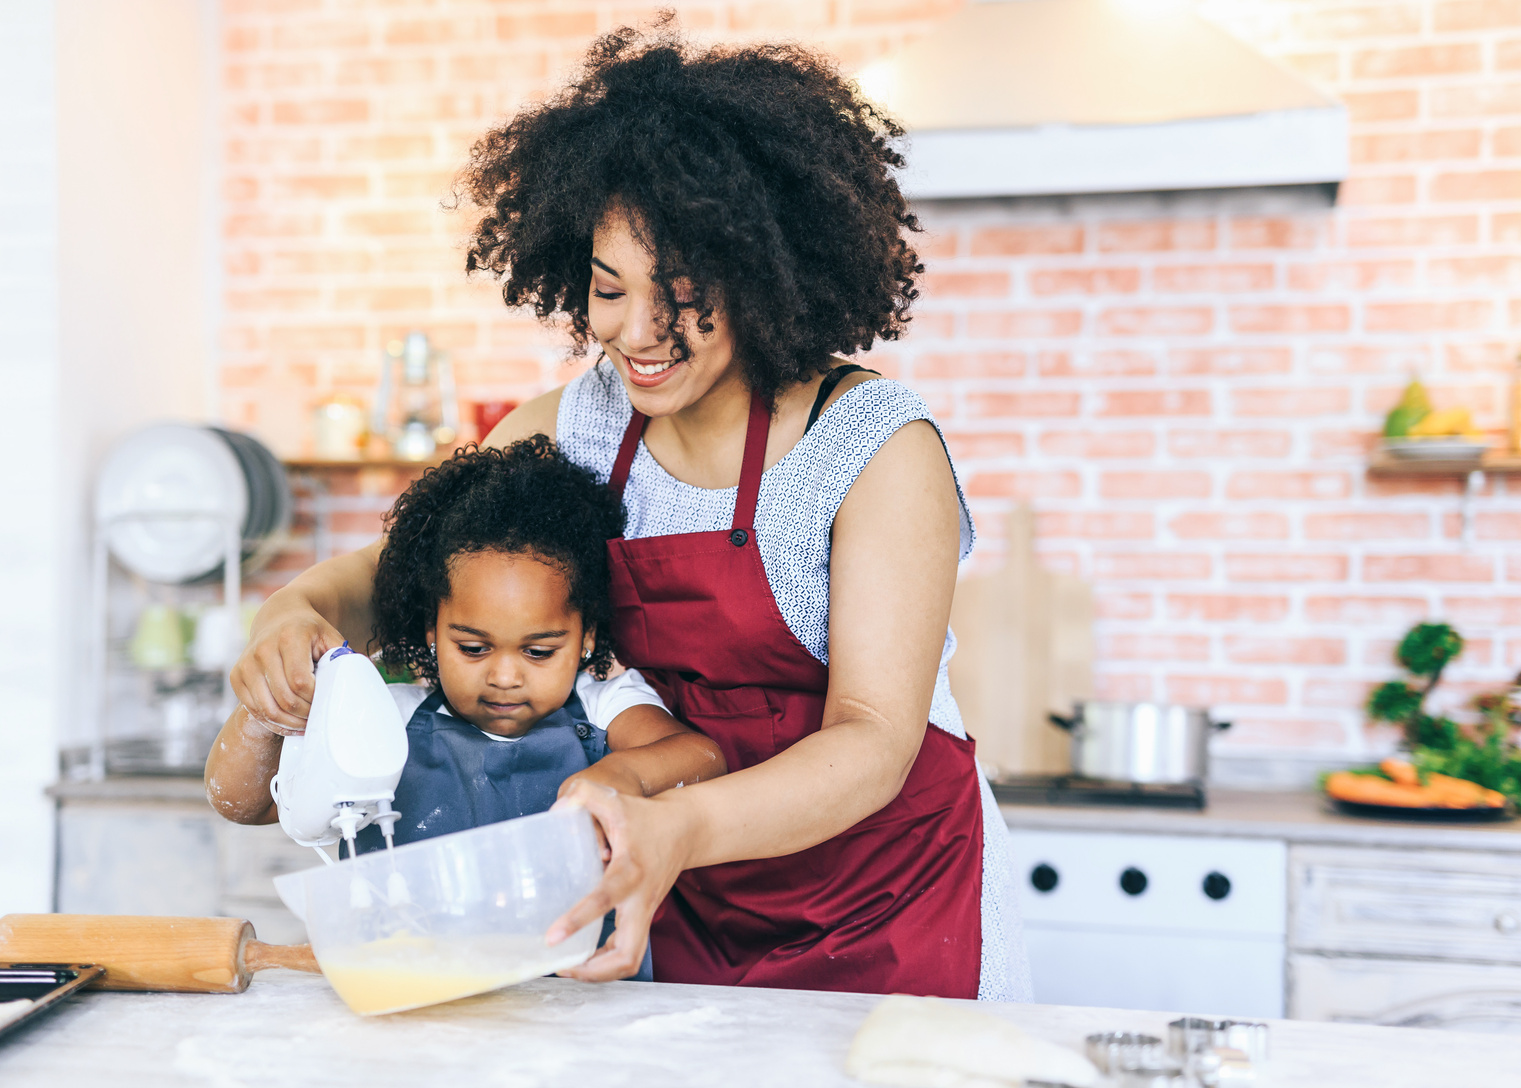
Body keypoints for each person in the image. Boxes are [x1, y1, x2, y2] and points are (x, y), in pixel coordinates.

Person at [230, 22, 1031, 1001]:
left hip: (889, 896)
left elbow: (871, 738)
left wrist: (679, 823)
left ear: (769, 276)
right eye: (610, 289)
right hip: (673, 882)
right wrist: (287, 617)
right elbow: (388, 572)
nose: (637, 334)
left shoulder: (871, 449)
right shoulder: (575, 428)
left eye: (683, 298)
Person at [205, 440, 727, 981]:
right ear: (432, 630)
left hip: (583, 1009)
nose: (504, 676)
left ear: (585, 635)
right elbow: (242, 802)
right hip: (414, 1011)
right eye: (473, 649)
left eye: (539, 651)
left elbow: (700, 757)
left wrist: (622, 775)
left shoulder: (604, 706)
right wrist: (269, 705)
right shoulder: (387, 721)